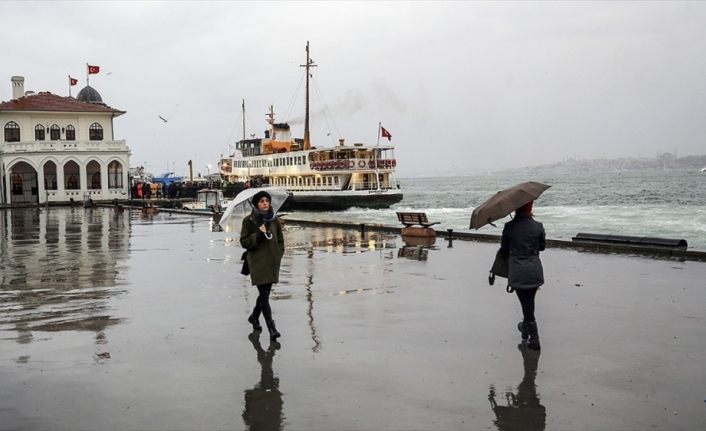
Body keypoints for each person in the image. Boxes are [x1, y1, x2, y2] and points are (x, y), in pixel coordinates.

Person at [499, 200, 545, 350]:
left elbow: (504, 250)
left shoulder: (509, 227)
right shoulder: (538, 226)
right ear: (530, 209)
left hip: (518, 272)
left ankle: (535, 338)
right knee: (528, 302)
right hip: (534, 271)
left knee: (526, 304)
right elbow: (542, 247)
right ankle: (525, 330)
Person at [240, 190, 285, 340]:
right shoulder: (248, 221)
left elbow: (280, 240)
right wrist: (258, 235)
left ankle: (254, 316)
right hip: (257, 262)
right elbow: (244, 242)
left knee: (264, 294)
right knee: (264, 295)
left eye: (267, 200)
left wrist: (279, 254)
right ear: (256, 204)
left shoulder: (274, 220)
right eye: (261, 201)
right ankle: (272, 328)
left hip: (272, 261)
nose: (265, 203)